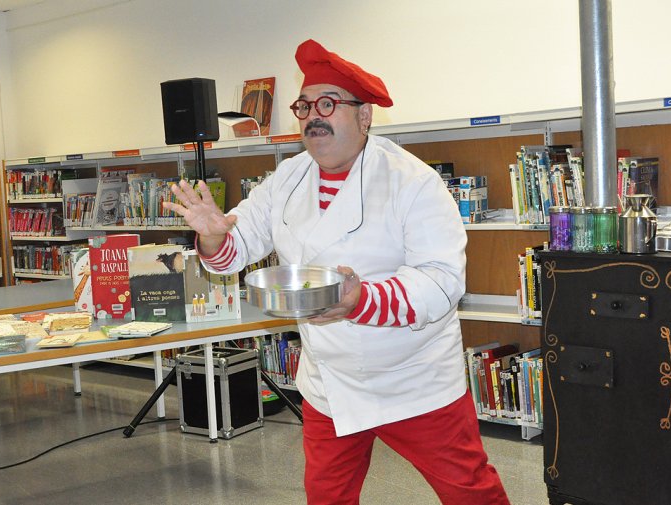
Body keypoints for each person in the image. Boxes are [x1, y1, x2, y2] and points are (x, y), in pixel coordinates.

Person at [164, 39, 510, 505]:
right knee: (326, 496)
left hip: (412, 379)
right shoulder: (286, 179)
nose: (312, 116)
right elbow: (237, 246)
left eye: (328, 104)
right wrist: (211, 236)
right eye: (304, 106)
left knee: (470, 492)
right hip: (328, 380)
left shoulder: (414, 182)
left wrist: (359, 300)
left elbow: (441, 281)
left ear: (364, 116)